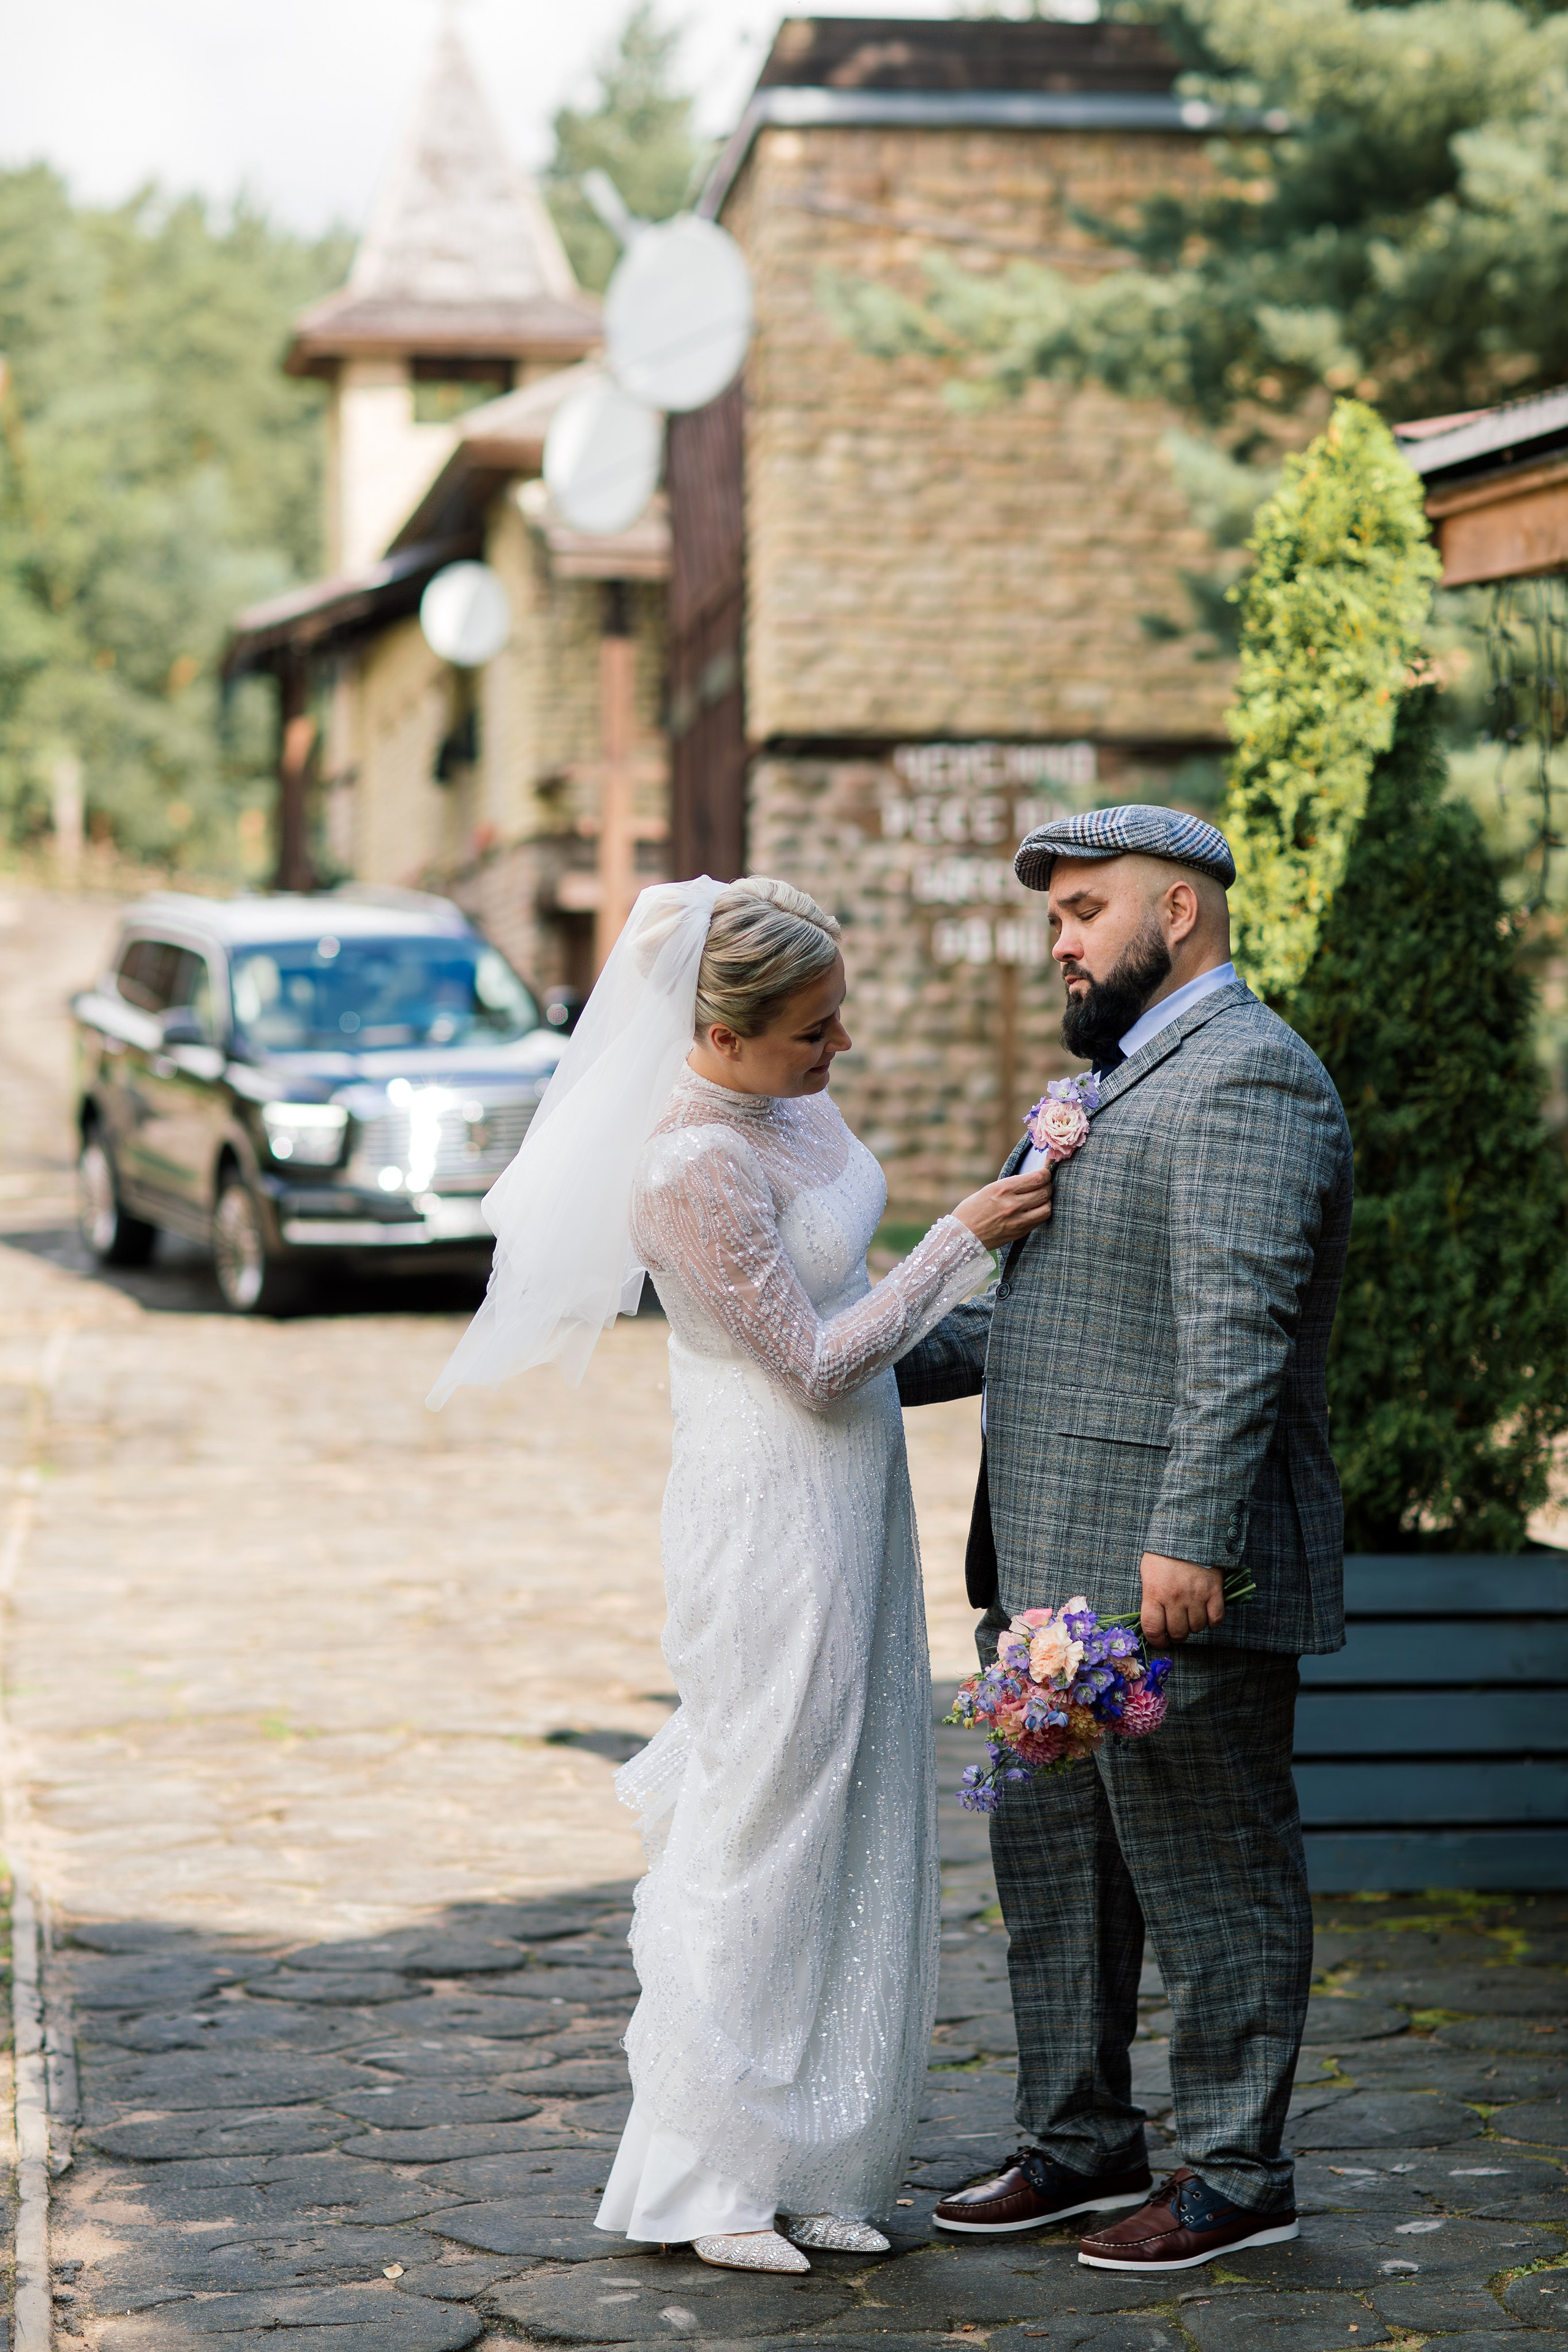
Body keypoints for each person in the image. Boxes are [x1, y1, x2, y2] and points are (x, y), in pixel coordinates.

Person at [429, 875, 1055, 2275]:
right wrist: (964, 1242)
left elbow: (846, 1274)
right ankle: (712, 2176)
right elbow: (818, 1356)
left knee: (858, 1812)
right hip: (765, 1507)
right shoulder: (686, 1170)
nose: (838, 1055)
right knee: (761, 1822)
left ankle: (822, 2153)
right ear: (717, 1034)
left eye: (836, 1026)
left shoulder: (783, 1107)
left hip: (855, 1497)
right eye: (810, 1036)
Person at [896, 805, 1354, 2274]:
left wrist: (1192, 1536)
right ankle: (1079, 2142)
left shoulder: (1247, 1080)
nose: (1060, 941)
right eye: (1051, 918)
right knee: (1055, 1880)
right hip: (1042, 1578)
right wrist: (810, 1352)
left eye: (1083, 911)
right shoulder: (1097, 1085)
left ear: (1179, 912)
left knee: (1212, 1876)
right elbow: (1021, 1317)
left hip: (1171, 1576)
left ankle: (1236, 2172)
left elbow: (1238, 1334)